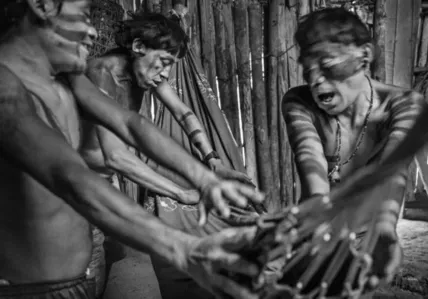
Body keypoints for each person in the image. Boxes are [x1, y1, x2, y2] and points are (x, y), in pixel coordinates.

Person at [0, 1, 264, 299]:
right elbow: (81, 168)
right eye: (84, 17)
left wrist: (208, 174)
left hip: (84, 248)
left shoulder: (71, 76)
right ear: (41, 5)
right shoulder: (20, 85)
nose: (91, 32)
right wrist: (180, 228)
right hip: (41, 276)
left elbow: (134, 124)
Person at [75, 12, 258, 297]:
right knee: (88, 272)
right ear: (138, 47)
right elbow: (116, 157)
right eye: (163, 63)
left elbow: (184, 114)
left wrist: (214, 161)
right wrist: (181, 193)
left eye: (170, 66)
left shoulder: (144, 72)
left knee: (111, 258)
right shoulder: (101, 74)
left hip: (104, 183)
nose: (165, 74)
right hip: (76, 188)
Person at [281, 7, 425, 295]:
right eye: (308, 69)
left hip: (366, 238)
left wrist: (384, 230)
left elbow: (391, 171)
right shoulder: (298, 101)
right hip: (315, 231)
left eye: (327, 63)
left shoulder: (404, 105)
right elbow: (312, 169)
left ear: (364, 56)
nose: (316, 80)